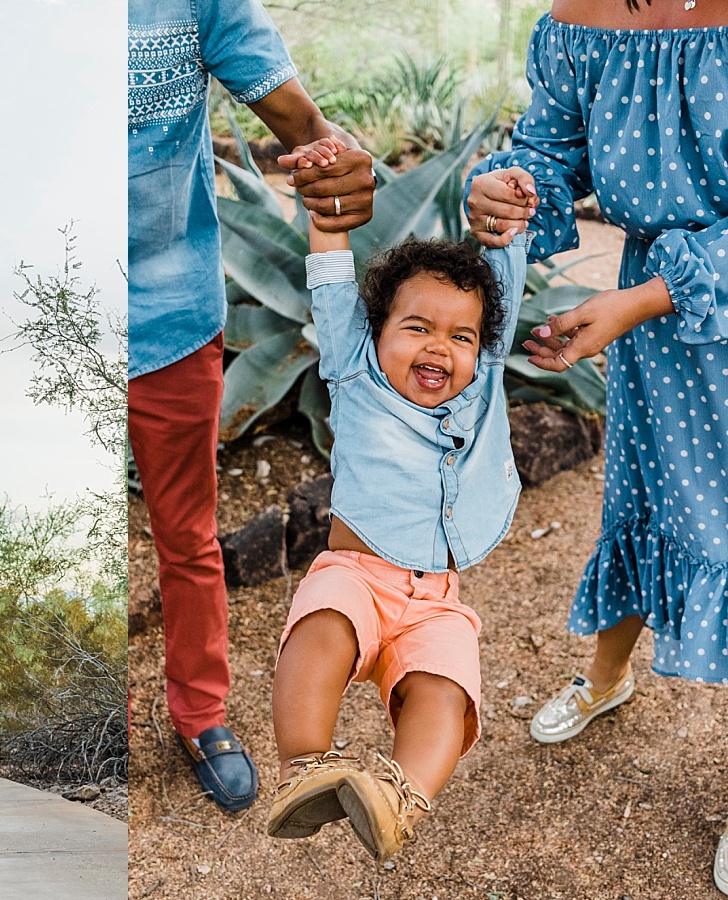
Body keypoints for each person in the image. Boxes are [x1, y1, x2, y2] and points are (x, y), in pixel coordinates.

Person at [464, 1, 728, 891]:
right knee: (648, 502)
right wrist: (508, 187)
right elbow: (550, 144)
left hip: (672, 300)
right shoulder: (579, 19)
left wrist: (646, 295)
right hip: (658, 329)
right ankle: (608, 677)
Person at [128, 0, 375, 813]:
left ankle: (198, 714)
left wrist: (335, 161)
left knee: (186, 531)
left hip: (166, 318)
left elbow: (298, 119)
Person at [265, 138, 528, 860]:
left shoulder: (483, 383)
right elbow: (330, 274)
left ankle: (397, 797)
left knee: (447, 689)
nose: (439, 347)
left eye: (461, 336)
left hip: (438, 598)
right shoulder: (354, 372)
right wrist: (326, 205)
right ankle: (304, 768)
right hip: (358, 576)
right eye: (416, 328)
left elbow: (503, 275)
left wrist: (504, 218)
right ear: (375, 331)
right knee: (322, 629)